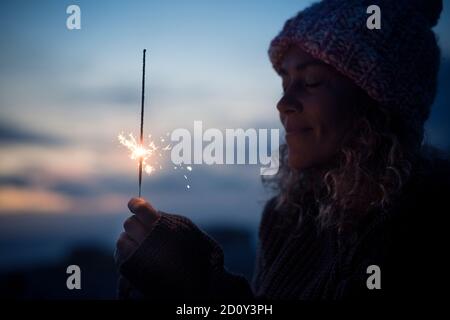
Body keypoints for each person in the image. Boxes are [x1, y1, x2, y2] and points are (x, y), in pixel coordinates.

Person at [114, 0, 449, 300]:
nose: (284, 103)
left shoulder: (424, 227)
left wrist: (197, 281)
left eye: (312, 81)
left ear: (376, 103)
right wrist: (173, 278)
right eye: (285, 82)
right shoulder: (287, 218)